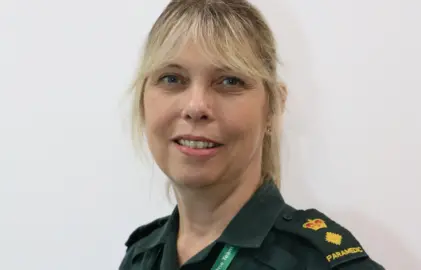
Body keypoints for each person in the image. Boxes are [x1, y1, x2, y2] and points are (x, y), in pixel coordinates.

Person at [119, 0, 385, 269]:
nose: (196, 107)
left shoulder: (319, 263)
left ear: (272, 107)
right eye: (172, 78)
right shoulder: (139, 258)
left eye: (229, 81)